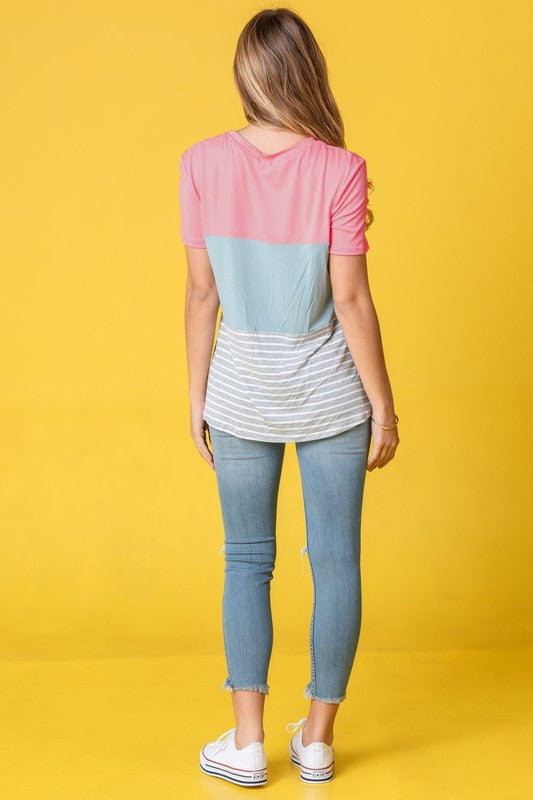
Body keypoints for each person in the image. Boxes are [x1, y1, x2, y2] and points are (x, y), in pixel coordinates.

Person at [179, 7, 399, 787]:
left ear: (246, 74)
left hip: (240, 390)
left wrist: (197, 395)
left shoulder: (201, 163)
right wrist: (383, 405)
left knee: (246, 562)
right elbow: (351, 302)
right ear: (307, 73)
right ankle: (314, 740)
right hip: (329, 392)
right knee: (334, 561)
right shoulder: (340, 169)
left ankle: (244, 745)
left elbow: (201, 295)